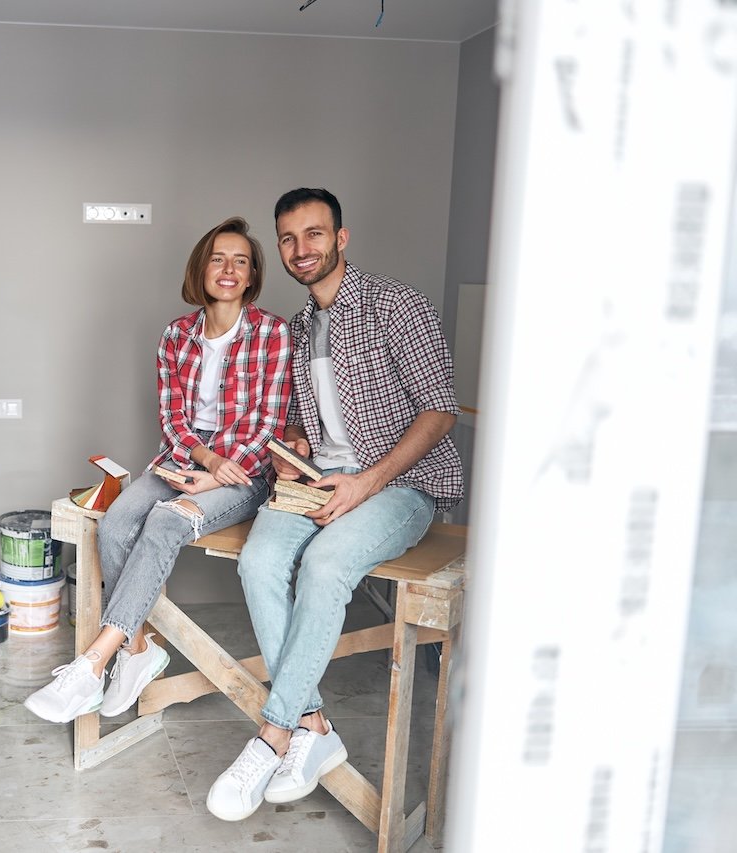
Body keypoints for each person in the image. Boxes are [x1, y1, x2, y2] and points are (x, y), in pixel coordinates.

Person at [206, 189, 463, 821]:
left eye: (314, 235)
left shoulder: (396, 303)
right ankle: (315, 726)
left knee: (324, 567)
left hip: (401, 485)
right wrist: (294, 445)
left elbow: (440, 410)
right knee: (259, 563)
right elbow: (302, 420)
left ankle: (274, 733)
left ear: (340, 238)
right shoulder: (296, 328)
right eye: (289, 239)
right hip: (321, 479)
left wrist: (366, 482)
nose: (302, 250)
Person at [25, 216, 293, 724]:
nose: (229, 269)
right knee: (118, 521)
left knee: (167, 521)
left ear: (253, 274)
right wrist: (203, 460)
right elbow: (172, 418)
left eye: (241, 261)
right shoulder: (176, 335)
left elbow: (269, 423)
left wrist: (217, 474)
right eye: (219, 258)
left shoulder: (273, 333)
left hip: (246, 472)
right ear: (201, 268)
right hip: (185, 457)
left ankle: (93, 664)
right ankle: (140, 646)